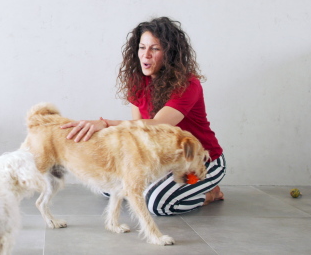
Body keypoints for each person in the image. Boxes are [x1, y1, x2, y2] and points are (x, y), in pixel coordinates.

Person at [60, 16, 225, 216]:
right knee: (109, 184)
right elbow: (138, 129)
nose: (145, 55)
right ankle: (164, 186)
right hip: (165, 161)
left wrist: (105, 124)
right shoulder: (137, 81)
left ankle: (210, 194)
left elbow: (156, 125)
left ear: (169, 53)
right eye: (142, 47)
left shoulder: (188, 84)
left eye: (154, 49)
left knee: (155, 204)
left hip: (200, 160)